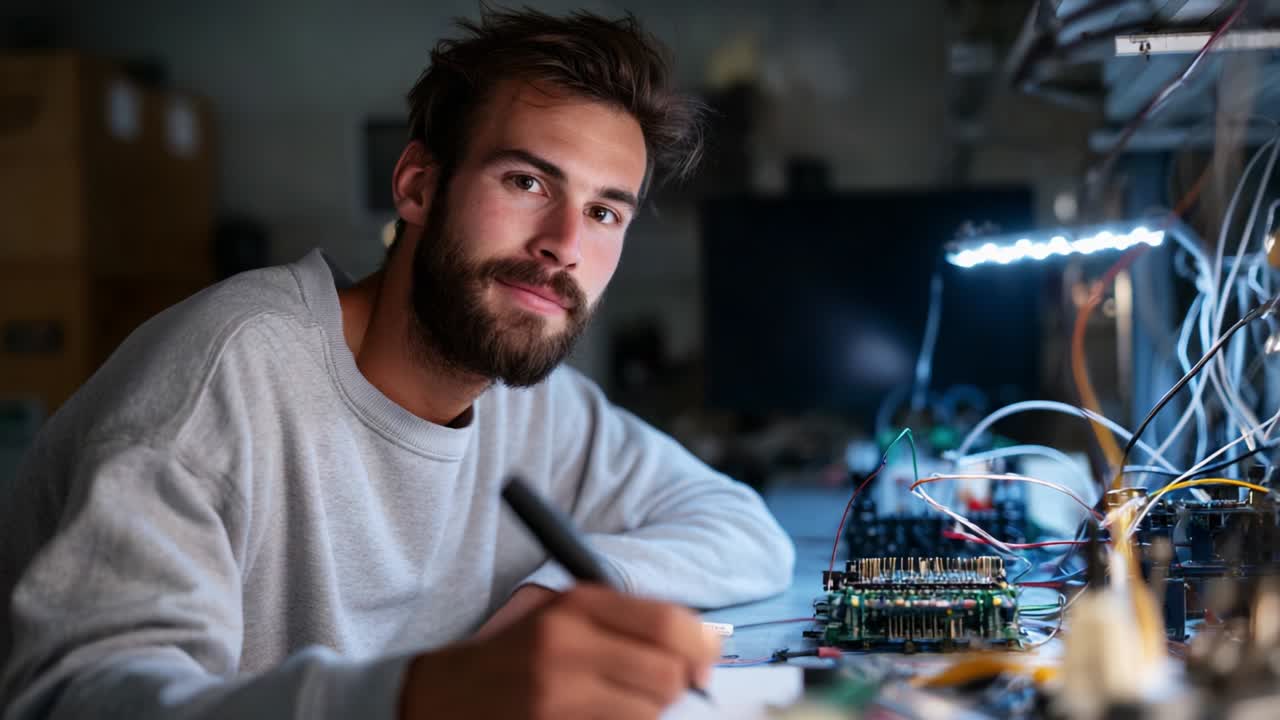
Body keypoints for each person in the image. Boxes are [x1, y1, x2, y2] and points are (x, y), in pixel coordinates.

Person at [0, 7, 794, 720]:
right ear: (417, 186)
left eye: (602, 211)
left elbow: (745, 530)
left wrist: (552, 595)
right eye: (526, 180)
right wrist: (428, 695)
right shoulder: (224, 377)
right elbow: (78, 698)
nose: (565, 243)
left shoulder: (542, 405)